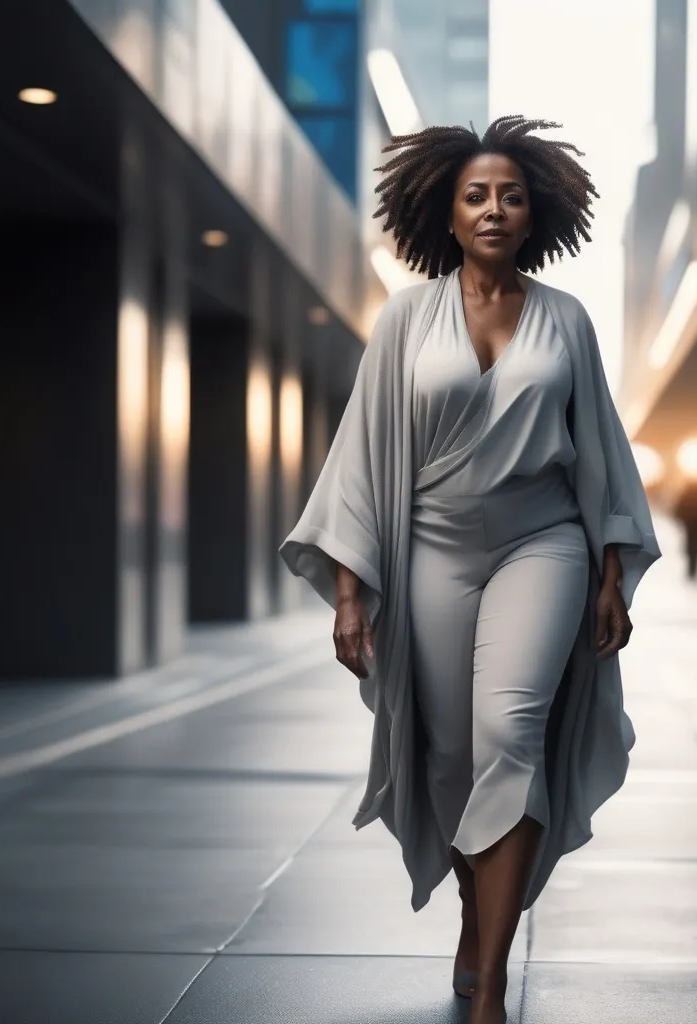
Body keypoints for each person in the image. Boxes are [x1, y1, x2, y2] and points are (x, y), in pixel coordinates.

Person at [279, 116, 660, 1024]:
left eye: (511, 195)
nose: (494, 208)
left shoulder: (567, 319)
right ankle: (471, 908)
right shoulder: (408, 318)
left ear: (537, 214)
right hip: (434, 551)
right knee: (451, 755)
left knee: (510, 732)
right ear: (446, 215)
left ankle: (490, 979)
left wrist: (609, 572)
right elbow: (364, 458)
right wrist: (346, 593)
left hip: (545, 542)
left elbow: (600, 453)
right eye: (476, 195)